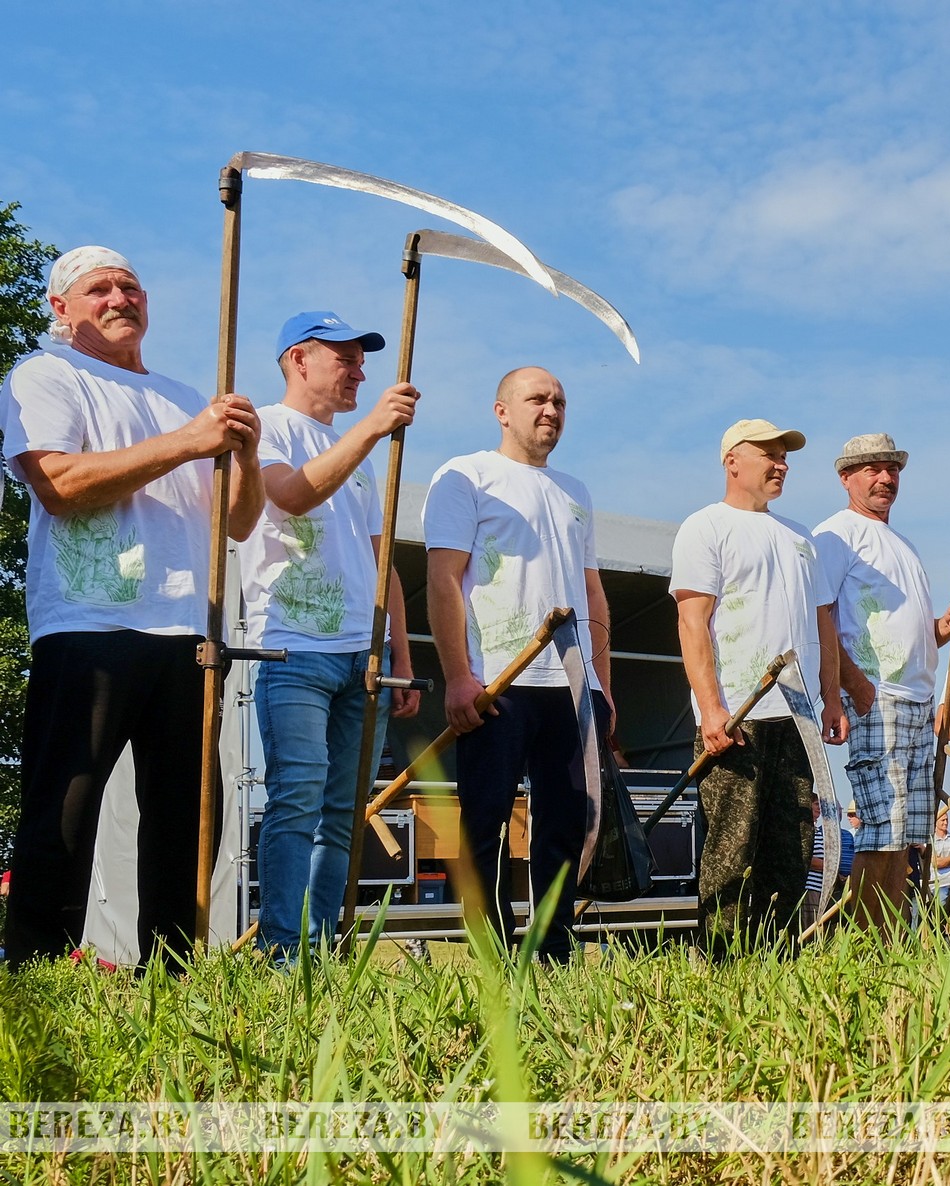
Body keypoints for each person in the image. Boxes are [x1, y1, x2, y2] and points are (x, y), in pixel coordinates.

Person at [2, 246, 264, 966]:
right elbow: (56, 482)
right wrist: (189, 441)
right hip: (91, 622)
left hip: (186, 628)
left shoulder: (187, 397)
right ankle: (39, 968)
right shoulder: (47, 374)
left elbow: (237, 523)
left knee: (187, 812)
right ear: (62, 308)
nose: (120, 298)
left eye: (131, 286)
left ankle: (173, 969)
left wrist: (242, 453)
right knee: (68, 801)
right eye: (99, 289)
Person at [239, 312, 422, 958]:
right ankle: (282, 952)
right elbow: (289, 496)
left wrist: (400, 647)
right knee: (297, 797)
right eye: (345, 357)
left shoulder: (363, 462)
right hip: (293, 649)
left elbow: (382, 562)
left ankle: (319, 950)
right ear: (298, 359)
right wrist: (373, 425)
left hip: (360, 657)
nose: (360, 371)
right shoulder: (266, 430)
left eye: (362, 359)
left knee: (344, 811)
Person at [424, 366, 617, 963]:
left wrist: (602, 688)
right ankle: (489, 956)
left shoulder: (575, 491)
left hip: (567, 684)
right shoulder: (467, 477)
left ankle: (553, 948)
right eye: (537, 399)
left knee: (562, 824)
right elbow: (443, 579)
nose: (551, 410)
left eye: (560, 401)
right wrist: (459, 675)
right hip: (499, 680)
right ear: (502, 410)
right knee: (485, 822)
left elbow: (591, 595)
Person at [671, 419, 847, 955]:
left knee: (790, 846)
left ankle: (779, 963)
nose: (781, 465)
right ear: (732, 461)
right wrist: (710, 708)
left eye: (785, 457)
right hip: (738, 714)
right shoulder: (705, 527)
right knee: (731, 844)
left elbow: (823, 623)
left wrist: (832, 696)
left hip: (797, 716)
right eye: (769, 455)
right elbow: (692, 622)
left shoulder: (801, 537)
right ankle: (724, 965)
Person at [813, 433, 950, 934]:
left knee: (908, 836)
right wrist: (853, 687)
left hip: (917, 700)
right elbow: (820, 617)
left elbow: (908, 635)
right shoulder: (836, 534)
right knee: (881, 831)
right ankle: (863, 948)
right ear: (846, 478)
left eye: (892, 469)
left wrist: (942, 630)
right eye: (871, 470)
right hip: (876, 699)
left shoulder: (903, 544)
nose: (885, 479)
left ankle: (890, 942)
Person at [802, 798, 856, 932]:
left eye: (837, 810)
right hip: (814, 887)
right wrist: (833, 869)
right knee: (812, 927)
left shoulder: (844, 835)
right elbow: (808, 858)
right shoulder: (813, 833)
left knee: (828, 929)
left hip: (832, 888)